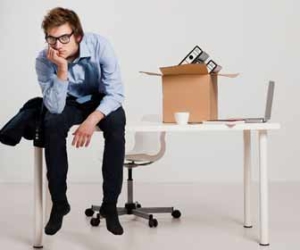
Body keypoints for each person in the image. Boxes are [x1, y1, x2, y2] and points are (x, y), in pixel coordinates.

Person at [35, 7, 126, 236]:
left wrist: (92, 119)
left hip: (101, 98)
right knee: (52, 124)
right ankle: (59, 203)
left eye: (64, 38)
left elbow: (115, 93)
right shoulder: (44, 60)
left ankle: (110, 204)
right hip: (68, 100)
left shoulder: (100, 46)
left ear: (78, 36)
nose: (57, 45)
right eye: (51, 39)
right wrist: (62, 69)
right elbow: (55, 106)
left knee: (116, 124)